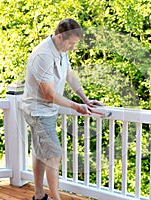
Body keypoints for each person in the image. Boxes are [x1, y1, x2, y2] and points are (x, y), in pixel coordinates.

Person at [21, 18, 104, 200]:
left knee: (41, 152)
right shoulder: (43, 55)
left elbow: (69, 75)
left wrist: (86, 99)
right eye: (71, 43)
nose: (73, 48)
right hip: (38, 112)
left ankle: (39, 196)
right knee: (54, 156)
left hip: (48, 111)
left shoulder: (61, 50)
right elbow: (49, 94)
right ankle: (56, 198)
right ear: (60, 37)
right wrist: (76, 107)